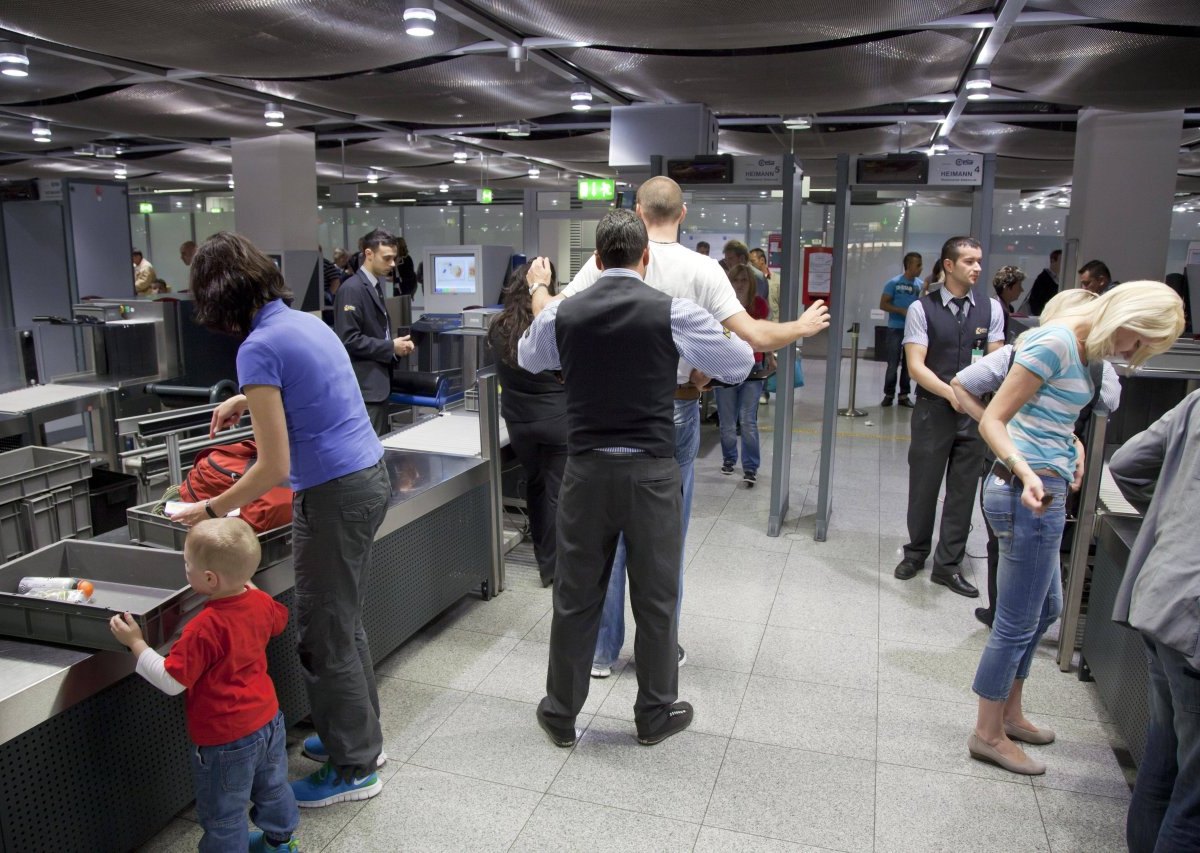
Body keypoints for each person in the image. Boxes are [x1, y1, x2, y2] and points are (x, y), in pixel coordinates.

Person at [531, 176, 829, 678]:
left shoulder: (604, 263)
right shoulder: (703, 269)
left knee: (601, 540)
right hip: (672, 413)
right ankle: (659, 654)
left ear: (638, 213)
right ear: (683, 214)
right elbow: (749, 341)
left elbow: (553, 324)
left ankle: (602, 653)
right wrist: (798, 328)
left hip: (600, 416)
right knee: (664, 539)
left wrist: (539, 286)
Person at [518, 208, 755, 748]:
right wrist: (697, 364)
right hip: (651, 471)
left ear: (598, 261)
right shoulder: (673, 311)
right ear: (645, 258)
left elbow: (530, 357)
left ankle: (560, 712)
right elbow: (740, 362)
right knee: (655, 596)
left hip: (585, 473)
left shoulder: (565, 314)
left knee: (578, 594)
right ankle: (653, 714)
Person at [174, 231, 391, 808]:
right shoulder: (303, 322)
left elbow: (273, 465)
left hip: (333, 494)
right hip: (367, 476)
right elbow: (309, 384)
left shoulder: (258, 348)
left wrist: (212, 509)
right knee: (343, 621)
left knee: (323, 634)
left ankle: (354, 768)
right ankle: (361, 738)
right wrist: (248, 399)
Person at [966, 281, 1183, 776]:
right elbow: (994, 419)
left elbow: (1048, 416)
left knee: (1047, 609)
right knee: (1018, 620)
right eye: (1140, 342)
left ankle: (1009, 713)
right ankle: (988, 732)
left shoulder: (1084, 347)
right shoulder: (1057, 341)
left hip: (1043, 483)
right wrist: (1024, 470)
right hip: (1026, 490)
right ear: (1127, 319)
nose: (1135, 355)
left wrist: (1074, 448)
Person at [108, 518, 299, 853]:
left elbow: (172, 681)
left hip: (225, 738)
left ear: (209, 579)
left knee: (224, 812)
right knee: (272, 787)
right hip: (269, 721)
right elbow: (278, 621)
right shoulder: (261, 602)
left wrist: (135, 643)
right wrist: (246, 583)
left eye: (187, 564)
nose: (185, 569)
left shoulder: (203, 627)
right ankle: (280, 842)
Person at [951, 290, 1122, 630]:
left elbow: (963, 386)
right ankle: (1006, 617)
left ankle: (1008, 616)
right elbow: (961, 386)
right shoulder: (1034, 353)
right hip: (1017, 466)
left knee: (1022, 563)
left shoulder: (1087, 363)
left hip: (1043, 467)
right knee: (1010, 552)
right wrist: (996, 424)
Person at [1110, 388, 1200, 852]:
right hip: (1193, 623)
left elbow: (1126, 464)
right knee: (1193, 801)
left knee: (1162, 764)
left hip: (1161, 595)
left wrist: (1170, 521)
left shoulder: (1196, 401)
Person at [895, 236, 1006, 598]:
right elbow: (916, 366)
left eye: (979, 261)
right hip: (933, 409)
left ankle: (948, 565)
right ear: (948, 265)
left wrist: (975, 400)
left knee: (962, 490)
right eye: (969, 261)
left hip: (975, 414)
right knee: (924, 486)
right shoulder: (921, 309)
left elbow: (997, 360)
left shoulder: (991, 309)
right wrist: (951, 393)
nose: (977, 268)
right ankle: (916, 553)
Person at [488, 260, 566, 588]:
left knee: (536, 486)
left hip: (519, 423)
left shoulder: (497, 326)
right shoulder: (551, 323)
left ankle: (545, 564)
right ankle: (561, 570)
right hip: (557, 420)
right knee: (559, 494)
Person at [334, 229, 416, 435]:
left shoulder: (374, 286)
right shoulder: (352, 289)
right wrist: (390, 346)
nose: (392, 264)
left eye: (394, 258)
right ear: (369, 254)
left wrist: (395, 347)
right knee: (370, 448)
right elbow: (349, 340)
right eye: (387, 258)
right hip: (365, 388)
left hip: (378, 383)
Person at [716, 263, 770, 485]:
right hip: (726, 369)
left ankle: (750, 467)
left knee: (748, 421)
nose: (739, 285)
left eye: (743, 281)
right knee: (727, 422)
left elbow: (762, 334)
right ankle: (729, 458)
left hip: (752, 369)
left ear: (751, 283)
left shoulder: (759, 305)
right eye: (735, 281)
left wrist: (770, 354)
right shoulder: (720, 305)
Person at [879, 252, 923, 407]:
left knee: (908, 364)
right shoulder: (893, 283)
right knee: (892, 364)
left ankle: (904, 395)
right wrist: (901, 310)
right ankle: (889, 394)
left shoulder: (920, 285)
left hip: (913, 332)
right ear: (909, 265)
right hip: (895, 329)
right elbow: (883, 304)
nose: (920, 268)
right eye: (918, 265)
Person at [723, 239, 768, 304]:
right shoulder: (730, 275)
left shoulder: (756, 277)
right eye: (726, 259)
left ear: (742, 258)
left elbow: (755, 305)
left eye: (730, 258)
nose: (727, 263)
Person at [992, 265, 1026, 338]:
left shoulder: (1009, 308)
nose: (1022, 290)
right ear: (1007, 288)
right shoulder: (995, 310)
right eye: (1019, 286)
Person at [1025, 249, 1060, 316]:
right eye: (1061, 261)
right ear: (1053, 260)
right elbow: (1036, 301)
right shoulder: (1043, 279)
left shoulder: (1058, 278)